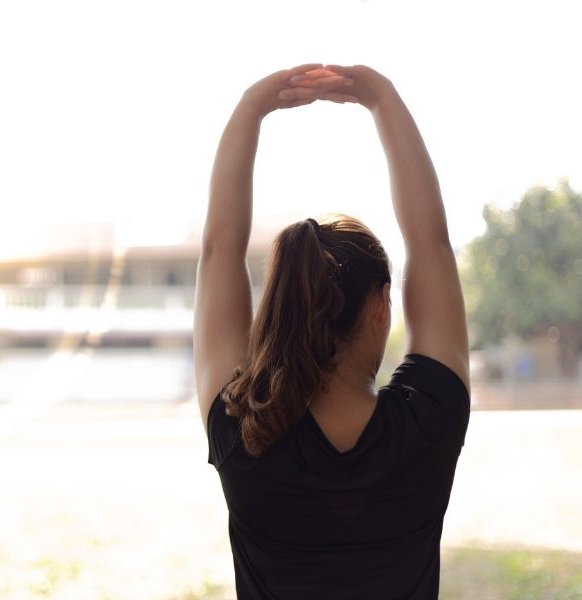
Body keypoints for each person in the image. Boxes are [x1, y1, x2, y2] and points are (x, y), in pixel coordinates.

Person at [193, 64, 470, 599]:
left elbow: (218, 252)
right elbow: (430, 242)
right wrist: (382, 98)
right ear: (381, 308)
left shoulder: (242, 432)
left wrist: (252, 108)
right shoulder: (429, 420)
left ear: (279, 307)